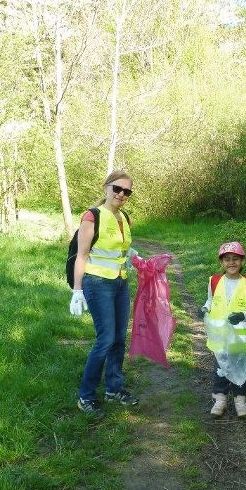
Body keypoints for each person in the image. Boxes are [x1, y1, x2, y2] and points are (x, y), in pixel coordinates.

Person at [69, 169, 141, 417]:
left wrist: (134, 257)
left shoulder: (125, 218)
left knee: (119, 339)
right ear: (106, 187)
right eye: (117, 189)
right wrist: (77, 291)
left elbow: (121, 249)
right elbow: (83, 255)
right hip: (97, 283)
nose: (121, 194)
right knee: (105, 339)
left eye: (126, 191)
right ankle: (85, 396)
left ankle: (114, 389)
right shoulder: (92, 216)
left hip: (120, 283)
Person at [199, 241, 246, 418]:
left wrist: (242, 315)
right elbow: (210, 301)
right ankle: (220, 398)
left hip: (238, 338)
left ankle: (240, 398)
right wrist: (205, 308)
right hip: (219, 336)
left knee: (239, 366)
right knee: (220, 367)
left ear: (242, 261)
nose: (231, 263)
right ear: (221, 262)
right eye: (227, 259)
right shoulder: (215, 281)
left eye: (235, 259)